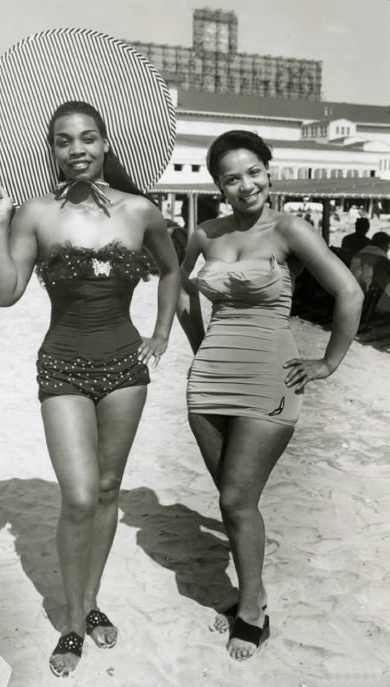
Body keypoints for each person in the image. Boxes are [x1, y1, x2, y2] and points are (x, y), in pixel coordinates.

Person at [0, 100, 180, 678]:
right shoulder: (35, 213)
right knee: (78, 496)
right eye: (65, 141)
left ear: (104, 143)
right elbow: (5, 291)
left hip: (125, 366)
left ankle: (91, 601)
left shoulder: (141, 210)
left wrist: (162, 332)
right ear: (53, 151)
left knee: (110, 487)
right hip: (63, 365)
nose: (78, 149)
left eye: (88, 138)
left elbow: (171, 269)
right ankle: (72, 622)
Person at [177, 130, 363, 662]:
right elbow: (186, 295)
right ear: (218, 185)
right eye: (232, 177)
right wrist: (199, 349)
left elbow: (349, 292)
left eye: (253, 171)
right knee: (236, 502)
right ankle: (252, 590)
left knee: (235, 499)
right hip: (210, 379)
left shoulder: (289, 229)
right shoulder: (204, 234)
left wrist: (327, 362)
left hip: (270, 378)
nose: (246, 184)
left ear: (269, 171)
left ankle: (252, 613)